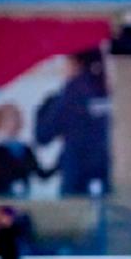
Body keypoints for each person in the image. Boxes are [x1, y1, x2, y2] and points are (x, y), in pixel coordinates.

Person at [34, 48, 112, 196]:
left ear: (74, 62)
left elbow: (44, 134)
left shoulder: (74, 89)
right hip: (103, 173)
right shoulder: (104, 87)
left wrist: (45, 107)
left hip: (77, 177)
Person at [0, 103, 51, 198]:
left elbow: (41, 174)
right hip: (4, 200)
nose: (15, 122)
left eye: (17, 118)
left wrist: (60, 163)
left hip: (23, 199)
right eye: (10, 119)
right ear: (1, 123)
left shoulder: (25, 149)